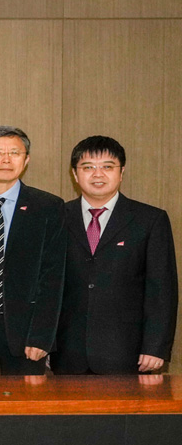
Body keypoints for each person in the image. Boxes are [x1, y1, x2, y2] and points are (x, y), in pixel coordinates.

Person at [55, 136, 177, 375]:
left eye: (107, 167)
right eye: (88, 167)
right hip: (67, 352)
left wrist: (156, 347)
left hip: (127, 352)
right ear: (74, 174)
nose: (97, 174)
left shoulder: (149, 220)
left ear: (121, 172)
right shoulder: (57, 217)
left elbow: (162, 289)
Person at [0, 126, 66, 375]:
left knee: (24, 407)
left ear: (26, 160)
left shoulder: (48, 207)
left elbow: (53, 278)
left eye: (15, 153)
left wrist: (41, 336)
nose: (6, 159)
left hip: (25, 328)